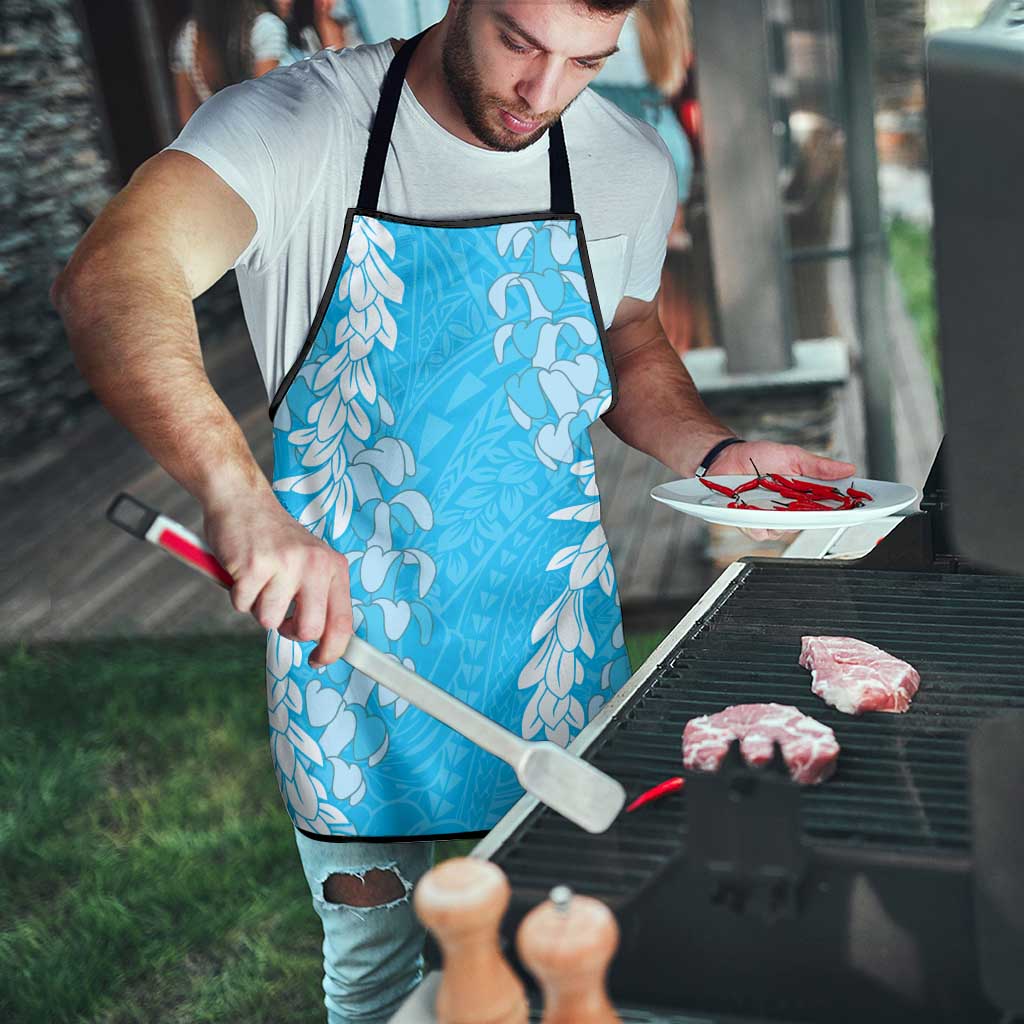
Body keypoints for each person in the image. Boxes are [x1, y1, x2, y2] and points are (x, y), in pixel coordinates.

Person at [52, 2, 856, 1020]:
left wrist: (718, 449)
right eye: (521, 42)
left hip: (552, 638)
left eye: (585, 62)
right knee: (380, 979)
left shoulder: (624, 159)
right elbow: (113, 275)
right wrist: (237, 494)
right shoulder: (297, 125)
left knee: (573, 953)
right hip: (351, 653)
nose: (543, 93)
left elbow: (628, 337)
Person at [169, 0, 289, 127]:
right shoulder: (266, 27)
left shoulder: (188, 37)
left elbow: (187, 120)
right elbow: (266, 107)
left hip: (215, 140)